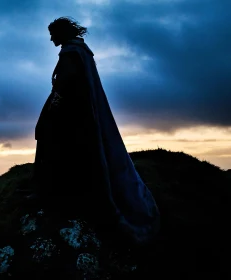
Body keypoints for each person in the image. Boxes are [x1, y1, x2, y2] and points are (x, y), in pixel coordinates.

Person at [22, 17, 160, 245]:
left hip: (72, 113)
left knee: (48, 138)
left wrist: (53, 107)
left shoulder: (71, 53)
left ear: (62, 33)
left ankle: (47, 192)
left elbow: (67, 84)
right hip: (79, 111)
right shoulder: (79, 51)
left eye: (53, 33)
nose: (50, 38)